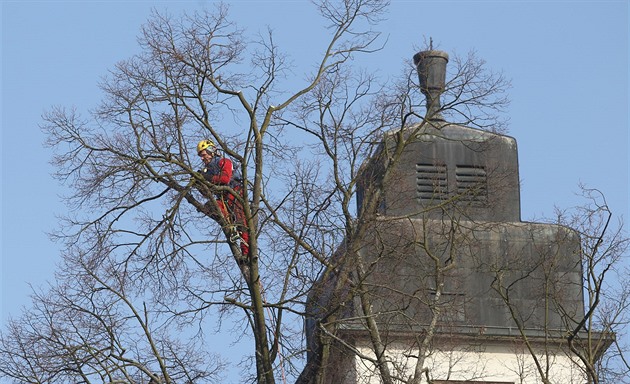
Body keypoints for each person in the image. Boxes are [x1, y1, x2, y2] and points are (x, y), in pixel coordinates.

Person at [196, 139, 249, 257]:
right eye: (200, 156)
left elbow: (224, 179)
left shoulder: (224, 162)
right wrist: (199, 184)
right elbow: (207, 193)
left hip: (234, 192)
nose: (202, 158)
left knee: (241, 221)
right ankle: (230, 227)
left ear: (211, 151)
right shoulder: (209, 170)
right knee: (210, 207)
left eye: (203, 155)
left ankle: (246, 253)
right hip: (222, 197)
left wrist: (207, 177)